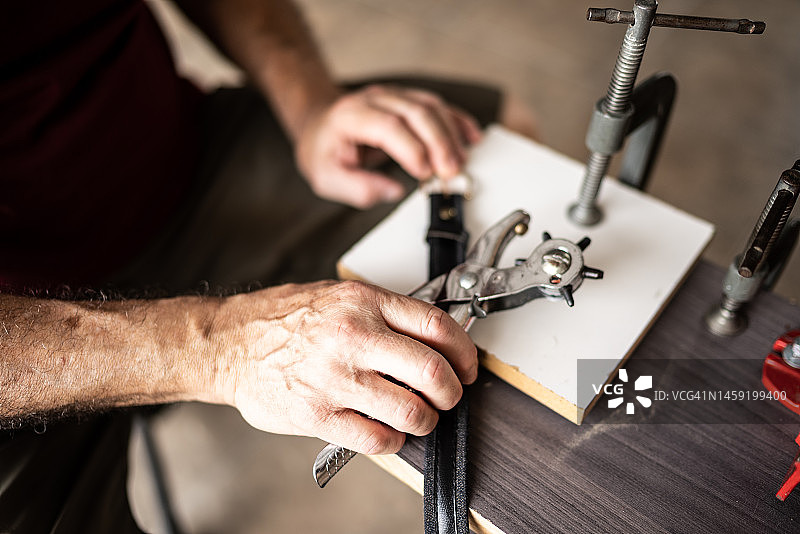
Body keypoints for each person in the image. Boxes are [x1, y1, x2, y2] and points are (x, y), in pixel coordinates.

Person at [0, 0, 507, 530]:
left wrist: (309, 104)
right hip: (17, 335)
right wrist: (221, 345)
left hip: (180, 168)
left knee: (483, 145)